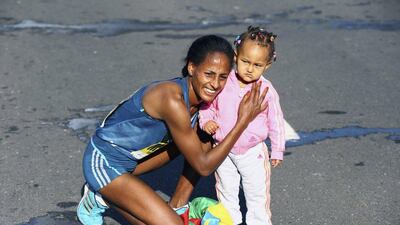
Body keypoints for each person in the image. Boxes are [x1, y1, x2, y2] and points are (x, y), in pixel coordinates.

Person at [76, 34, 269, 225]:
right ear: (192, 67)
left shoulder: (203, 98)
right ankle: (99, 194)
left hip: (133, 161)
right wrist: (242, 122)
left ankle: (177, 204)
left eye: (223, 77)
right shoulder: (171, 99)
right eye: (209, 74)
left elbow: (203, 150)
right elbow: (204, 166)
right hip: (104, 161)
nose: (215, 84)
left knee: (207, 136)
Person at [199, 26, 285, 225]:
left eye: (257, 65)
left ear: (267, 66)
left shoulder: (265, 90)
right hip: (223, 150)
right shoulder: (225, 81)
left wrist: (278, 149)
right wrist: (207, 121)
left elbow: (276, 121)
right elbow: (208, 104)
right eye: (245, 61)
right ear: (236, 56)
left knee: (257, 194)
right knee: (226, 191)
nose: (249, 69)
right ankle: (230, 221)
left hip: (252, 152)